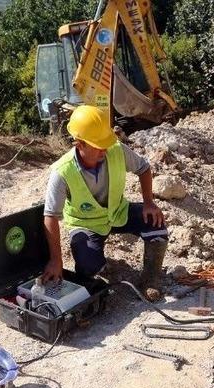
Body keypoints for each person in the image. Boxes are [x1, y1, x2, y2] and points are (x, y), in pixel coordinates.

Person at [41, 105, 168, 300]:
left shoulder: (116, 150)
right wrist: (56, 260)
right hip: (86, 224)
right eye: (97, 145)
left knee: (155, 223)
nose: (104, 150)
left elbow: (143, 168)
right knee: (88, 265)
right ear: (79, 144)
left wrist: (149, 202)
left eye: (105, 143)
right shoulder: (62, 172)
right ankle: (103, 267)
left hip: (117, 212)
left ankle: (151, 278)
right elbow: (50, 216)